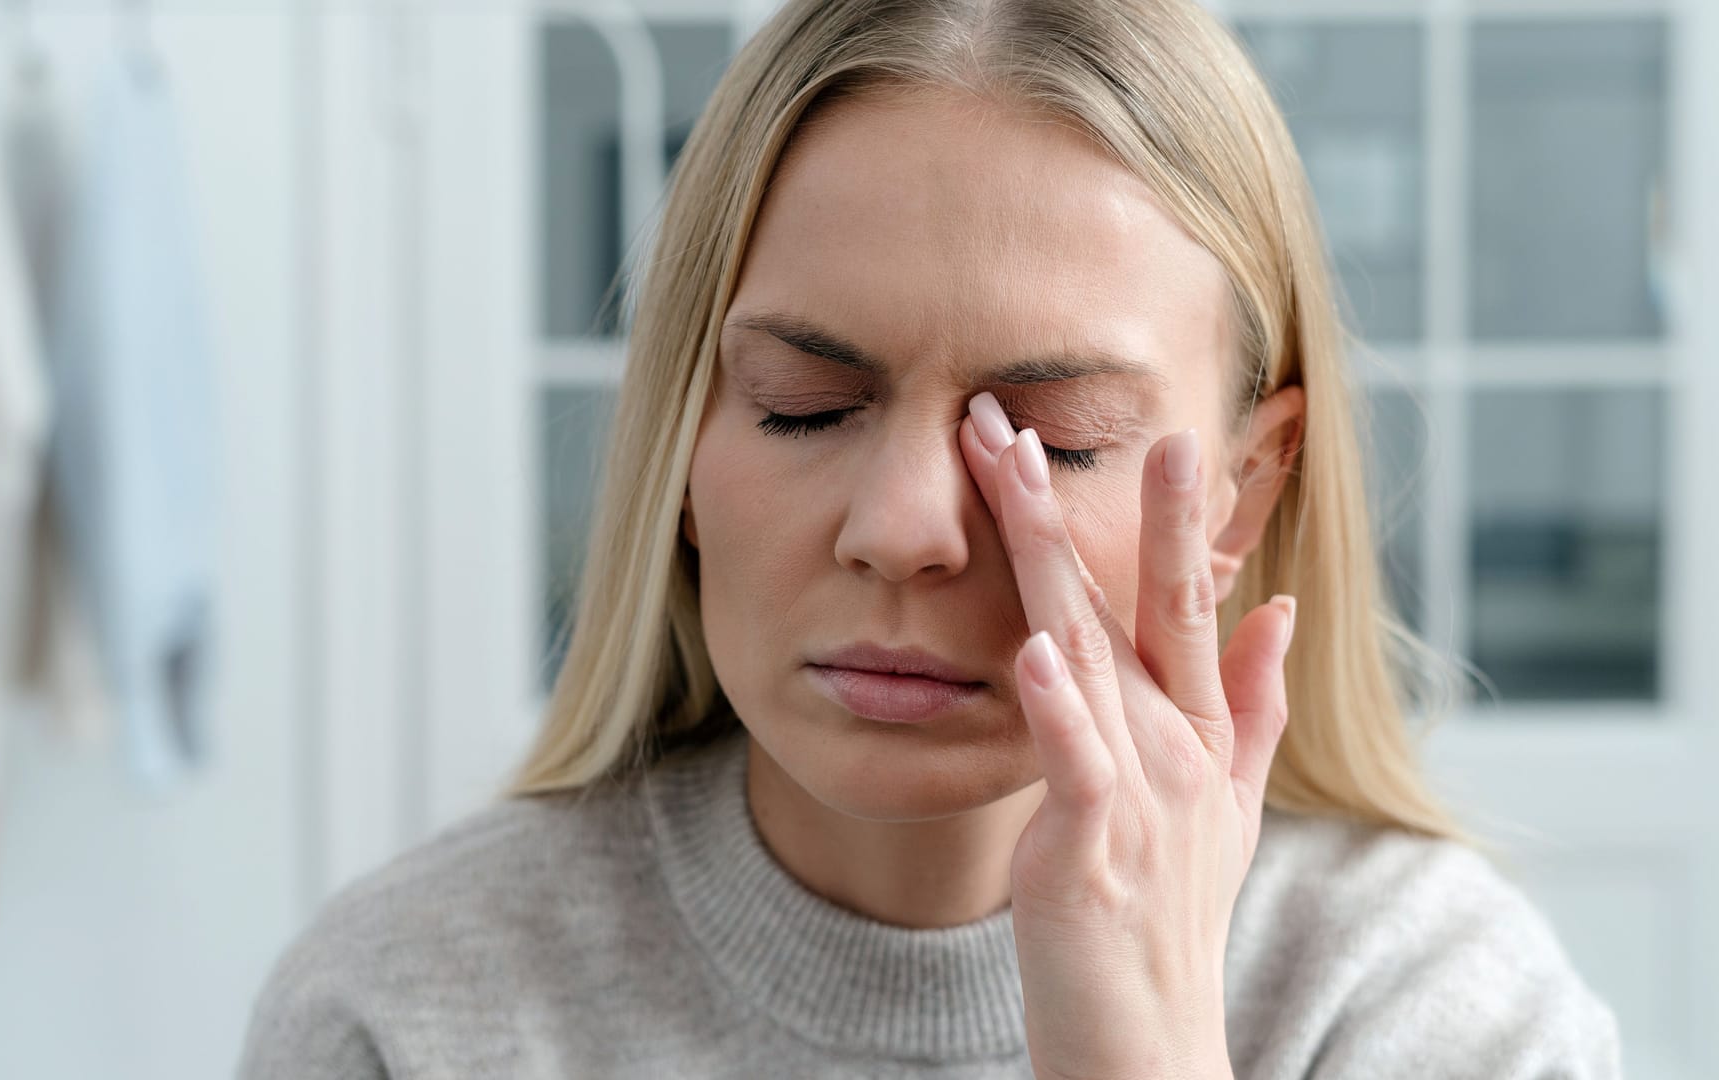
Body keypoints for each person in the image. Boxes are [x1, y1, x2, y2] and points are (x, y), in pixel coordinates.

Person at [236, 0, 1622, 1076]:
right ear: (685, 445)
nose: (902, 530)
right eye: (803, 406)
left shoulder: (1430, 1010)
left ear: (1242, 494)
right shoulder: (405, 1009)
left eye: (1054, 439)